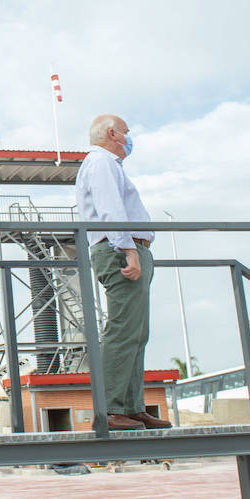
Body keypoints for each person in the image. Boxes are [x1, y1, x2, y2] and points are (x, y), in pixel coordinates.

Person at [75, 115, 169, 431]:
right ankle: (113, 408)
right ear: (113, 133)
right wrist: (128, 249)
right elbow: (110, 208)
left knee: (137, 332)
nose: (130, 138)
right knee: (123, 328)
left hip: (128, 246)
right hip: (119, 249)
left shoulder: (110, 165)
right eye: (127, 132)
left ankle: (131, 406)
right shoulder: (101, 162)